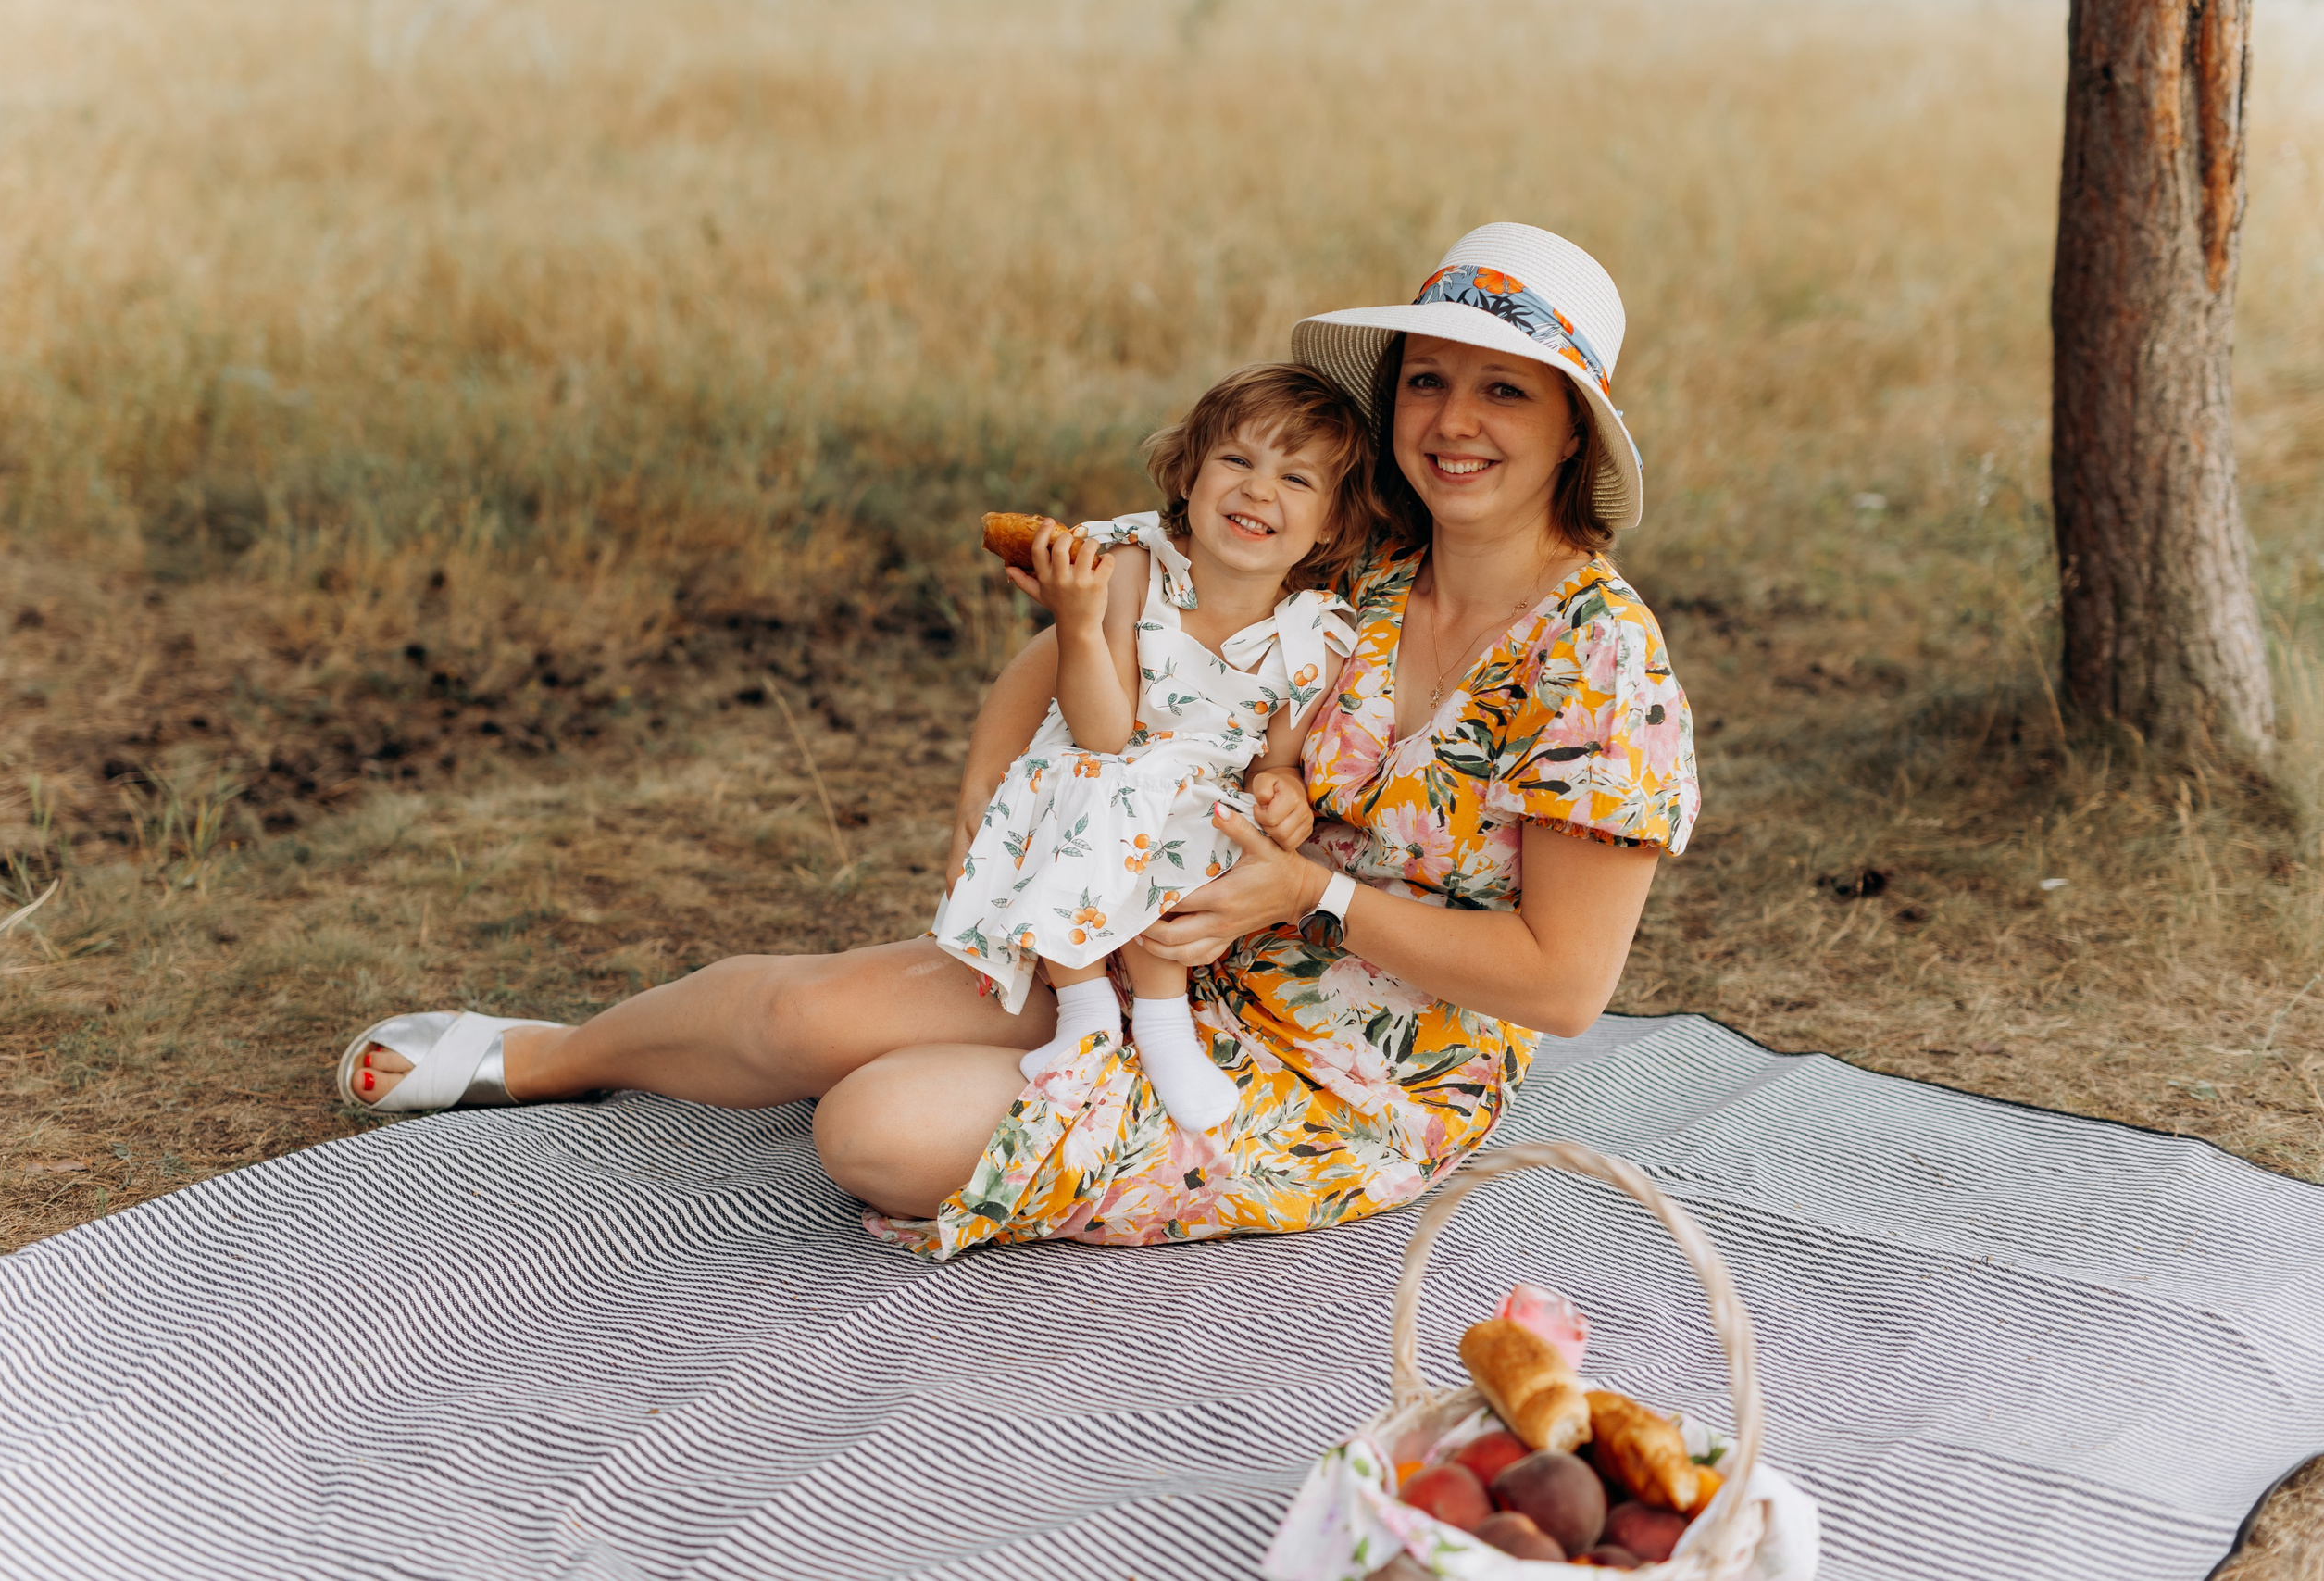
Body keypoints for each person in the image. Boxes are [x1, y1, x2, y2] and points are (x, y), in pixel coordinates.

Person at [336, 222, 1699, 1263]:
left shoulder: (1599, 658)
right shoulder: (1363, 554)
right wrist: (991, 806)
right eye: (1430, 382)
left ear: (1572, 425)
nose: (1454, 424)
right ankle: (548, 1055)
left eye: (1506, 394)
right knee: (801, 1014)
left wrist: (1316, 893)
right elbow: (1099, 627)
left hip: (1334, 1074)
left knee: (870, 1125)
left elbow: (1565, 984)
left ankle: (1070, 1078)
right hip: (1142, 922)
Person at [937, 364, 1367, 1133]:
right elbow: (1106, 733)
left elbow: (1274, 759)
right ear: (1190, 473)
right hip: (1102, 772)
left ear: (1332, 523)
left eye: (1296, 478)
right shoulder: (1134, 571)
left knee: (1202, 817)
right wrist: (1077, 620)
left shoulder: (1315, 637)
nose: (1258, 490)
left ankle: (1166, 1032)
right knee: (1097, 785)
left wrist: (1286, 792)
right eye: (1236, 460)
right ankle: (1087, 1013)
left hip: (1200, 811)